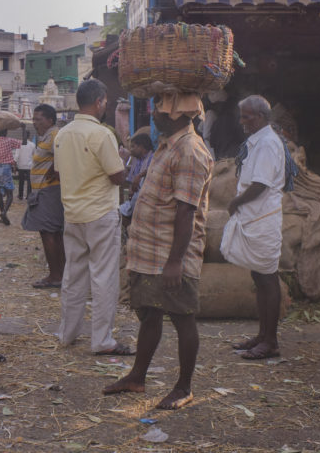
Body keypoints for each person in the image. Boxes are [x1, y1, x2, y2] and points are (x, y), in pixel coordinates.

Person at [103, 95, 213, 410]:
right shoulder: (168, 144)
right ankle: (137, 377)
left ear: (179, 114)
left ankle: (184, 387)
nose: (155, 116)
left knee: (182, 317)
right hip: (150, 252)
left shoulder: (190, 151)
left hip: (171, 255)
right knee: (150, 313)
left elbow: (186, 212)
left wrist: (176, 262)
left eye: (160, 111)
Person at [54, 79, 132, 355]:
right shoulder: (101, 135)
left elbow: (60, 172)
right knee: (103, 278)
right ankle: (101, 340)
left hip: (73, 213)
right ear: (99, 101)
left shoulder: (63, 134)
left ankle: (67, 333)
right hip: (99, 212)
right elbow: (117, 176)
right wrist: (122, 159)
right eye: (105, 102)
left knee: (73, 276)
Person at [223, 95, 287, 360]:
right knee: (259, 278)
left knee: (267, 278)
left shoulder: (268, 143)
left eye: (246, 117)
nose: (242, 122)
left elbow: (260, 184)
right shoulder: (260, 141)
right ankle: (262, 335)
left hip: (262, 219)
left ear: (260, 117)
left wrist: (235, 202)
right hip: (254, 219)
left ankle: (270, 341)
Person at [22, 104, 65, 289]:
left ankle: (55, 275)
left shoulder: (55, 135)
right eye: (34, 119)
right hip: (45, 191)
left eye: (38, 119)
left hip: (49, 191)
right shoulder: (47, 136)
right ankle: (59, 274)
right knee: (53, 234)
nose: (35, 122)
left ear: (50, 120)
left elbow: (63, 156)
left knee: (49, 233)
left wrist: (55, 169)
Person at [0, 130, 21, 226]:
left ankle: (2, 214)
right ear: (6, 133)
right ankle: (4, 212)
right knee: (10, 193)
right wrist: (22, 129)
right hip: (6, 168)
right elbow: (23, 143)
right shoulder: (9, 141)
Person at [119, 133, 154, 221]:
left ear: (141, 147)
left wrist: (139, 176)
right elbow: (129, 180)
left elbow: (151, 171)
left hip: (144, 193)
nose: (131, 150)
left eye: (133, 147)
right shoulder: (135, 159)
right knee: (125, 189)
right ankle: (127, 207)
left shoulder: (152, 158)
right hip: (133, 191)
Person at [14, 127, 34, 200]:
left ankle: (20, 195)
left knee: (21, 182)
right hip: (29, 166)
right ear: (29, 136)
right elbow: (34, 155)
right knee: (29, 182)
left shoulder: (19, 144)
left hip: (21, 166)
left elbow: (16, 155)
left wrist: (14, 165)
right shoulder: (32, 145)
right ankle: (28, 195)